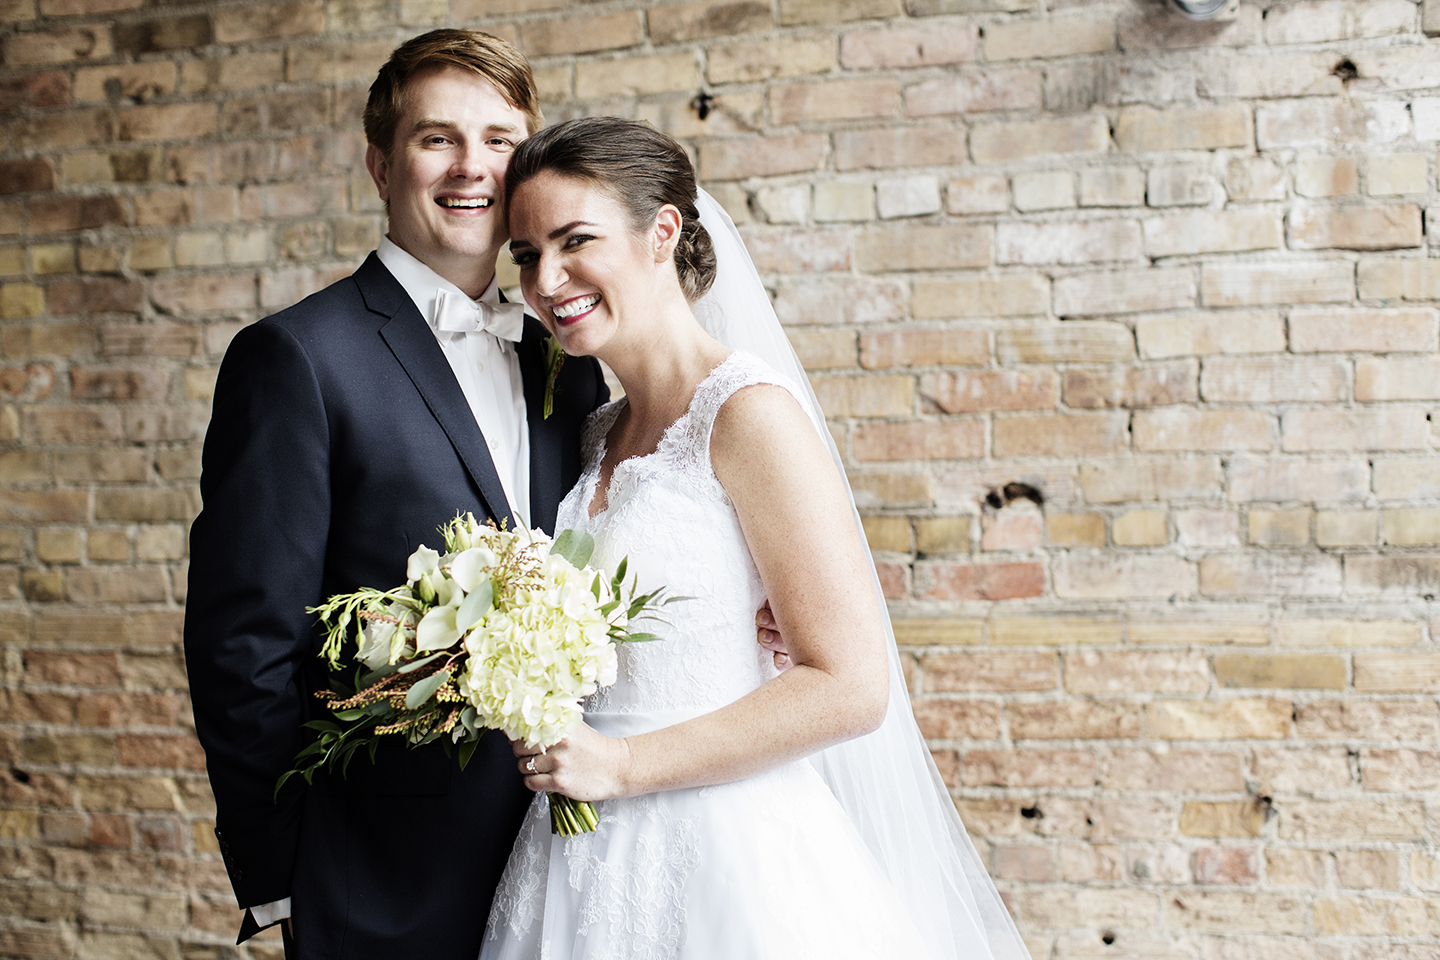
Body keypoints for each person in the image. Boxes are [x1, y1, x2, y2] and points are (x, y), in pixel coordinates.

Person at [483, 116, 1031, 960]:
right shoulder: (594, 434)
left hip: (727, 857)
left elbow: (850, 685)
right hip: (576, 855)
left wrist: (619, 768)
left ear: (662, 231)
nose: (547, 278)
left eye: (574, 241)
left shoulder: (747, 415)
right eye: (525, 254)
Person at [182, 30, 612, 960]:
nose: (473, 169)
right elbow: (243, 647)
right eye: (437, 140)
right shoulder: (296, 357)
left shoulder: (567, 359)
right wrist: (282, 882)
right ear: (381, 163)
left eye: (501, 141)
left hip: (574, 863)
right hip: (380, 886)